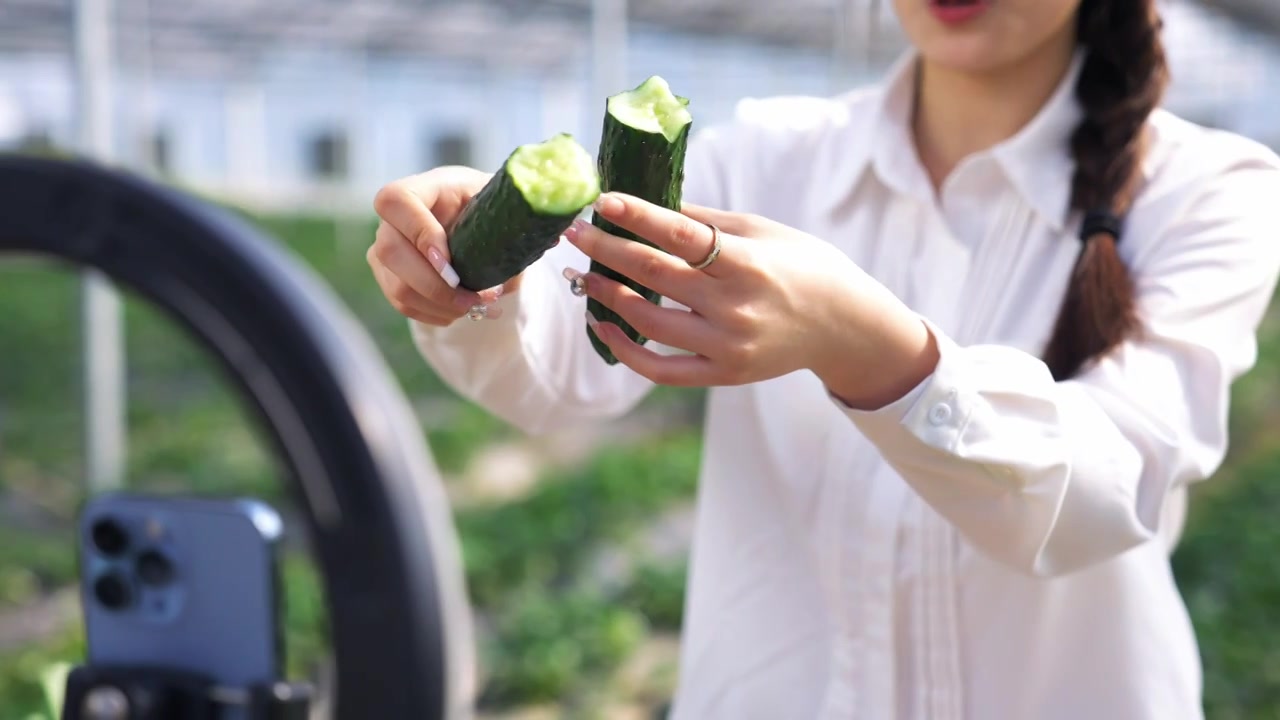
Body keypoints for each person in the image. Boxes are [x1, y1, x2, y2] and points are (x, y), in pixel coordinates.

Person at [367, 0, 1280, 717]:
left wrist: (868, 344)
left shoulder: (1212, 191)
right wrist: (473, 270)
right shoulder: (763, 158)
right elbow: (563, 374)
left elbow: (1110, 488)